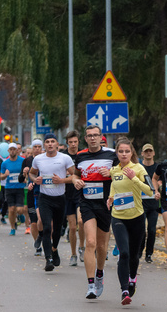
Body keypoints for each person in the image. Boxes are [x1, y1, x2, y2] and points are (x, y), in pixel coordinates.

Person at [73, 125, 117, 297]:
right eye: (89, 136)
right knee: (90, 243)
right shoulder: (80, 156)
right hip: (87, 203)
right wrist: (76, 180)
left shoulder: (111, 154)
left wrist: (111, 172)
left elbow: (121, 173)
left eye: (95, 135)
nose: (92, 138)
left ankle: (100, 273)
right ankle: (91, 284)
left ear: (101, 138)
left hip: (105, 203)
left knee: (101, 245)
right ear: (85, 138)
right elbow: (76, 174)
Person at [107, 137, 152, 304]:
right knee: (123, 253)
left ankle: (133, 277)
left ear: (132, 152)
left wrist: (134, 178)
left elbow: (150, 191)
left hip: (137, 218)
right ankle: (124, 290)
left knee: (134, 255)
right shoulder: (114, 170)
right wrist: (111, 198)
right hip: (118, 217)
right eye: (121, 151)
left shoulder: (139, 168)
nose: (124, 154)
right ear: (117, 153)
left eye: (127, 151)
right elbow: (114, 185)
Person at [30, 134, 75, 271]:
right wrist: (35, 179)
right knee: (47, 228)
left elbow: (74, 176)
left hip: (60, 198)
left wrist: (62, 180)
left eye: (52, 142)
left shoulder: (64, 158)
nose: (50, 144)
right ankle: (48, 258)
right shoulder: (38, 159)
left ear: (57, 144)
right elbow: (32, 173)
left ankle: (54, 249)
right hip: (45, 198)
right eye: (47, 142)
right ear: (44, 145)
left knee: (57, 230)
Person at [20, 140, 44, 254]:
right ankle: (38, 246)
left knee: (44, 221)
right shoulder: (27, 161)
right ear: (32, 148)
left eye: (39, 147)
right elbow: (20, 179)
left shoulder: (46, 159)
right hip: (31, 194)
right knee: (34, 222)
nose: (37, 149)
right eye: (35, 147)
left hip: (44, 193)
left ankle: (46, 242)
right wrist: (24, 174)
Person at [138, 143, 160, 264]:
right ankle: (140, 250)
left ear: (153, 153)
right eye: (146, 151)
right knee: (142, 229)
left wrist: (159, 186)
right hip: (140, 203)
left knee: (152, 230)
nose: (148, 153)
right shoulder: (139, 167)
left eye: (150, 151)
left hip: (153, 204)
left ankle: (149, 254)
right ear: (142, 153)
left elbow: (161, 180)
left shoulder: (158, 167)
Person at [64, 130, 83, 266]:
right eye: (70, 142)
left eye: (75, 142)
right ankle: (73, 254)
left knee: (81, 222)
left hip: (81, 193)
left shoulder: (83, 155)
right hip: (67, 194)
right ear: (67, 143)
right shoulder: (62, 156)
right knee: (72, 227)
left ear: (78, 142)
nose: (73, 145)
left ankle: (82, 247)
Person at [1, 143, 26, 235]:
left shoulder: (23, 161)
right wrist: (5, 175)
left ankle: (20, 215)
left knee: (19, 209)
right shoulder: (5, 163)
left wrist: (25, 178)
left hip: (19, 188)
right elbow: (1, 176)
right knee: (11, 209)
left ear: (17, 150)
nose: (12, 151)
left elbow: (27, 173)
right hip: (9, 188)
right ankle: (12, 228)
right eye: (10, 149)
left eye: (14, 149)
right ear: (8, 151)